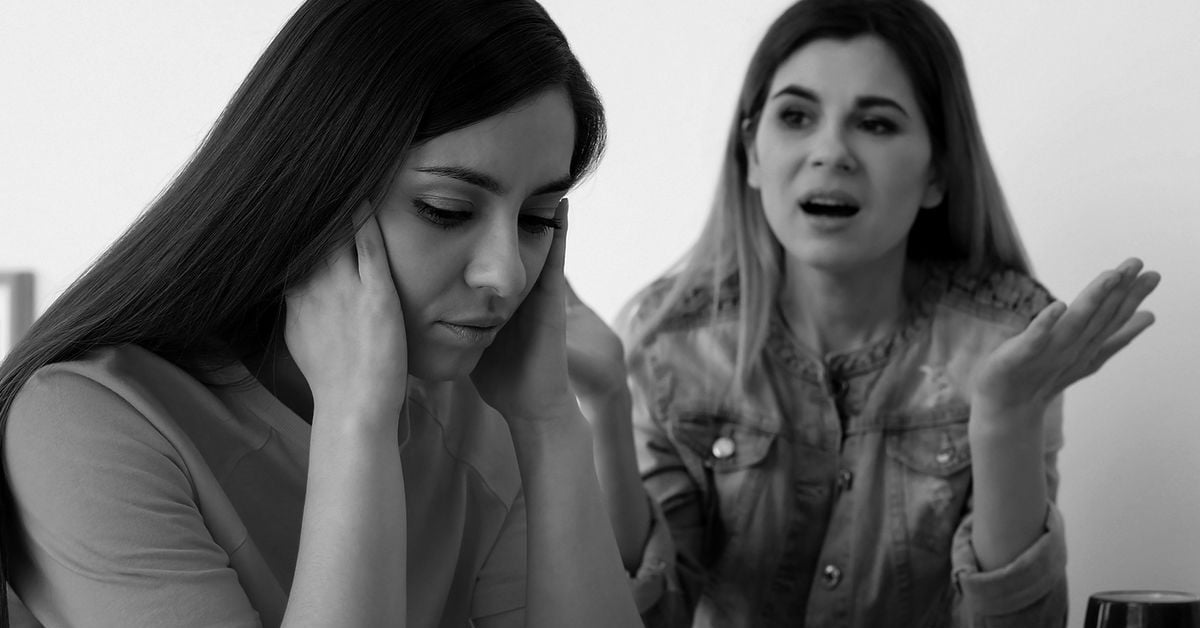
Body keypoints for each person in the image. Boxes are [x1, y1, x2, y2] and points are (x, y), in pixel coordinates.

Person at [0, 0, 645, 626]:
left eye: (537, 220)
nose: (505, 275)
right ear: (316, 194)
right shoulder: (85, 423)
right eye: (447, 210)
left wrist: (550, 422)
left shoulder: (482, 410)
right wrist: (355, 422)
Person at [564, 0, 1162, 626]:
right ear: (752, 155)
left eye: (876, 124)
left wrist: (1005, 419)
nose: (831, 151)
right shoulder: (671, 347)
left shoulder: (1006, 341)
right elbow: (636, 617)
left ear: (938, 173)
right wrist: (605, 409)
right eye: (796, 116)